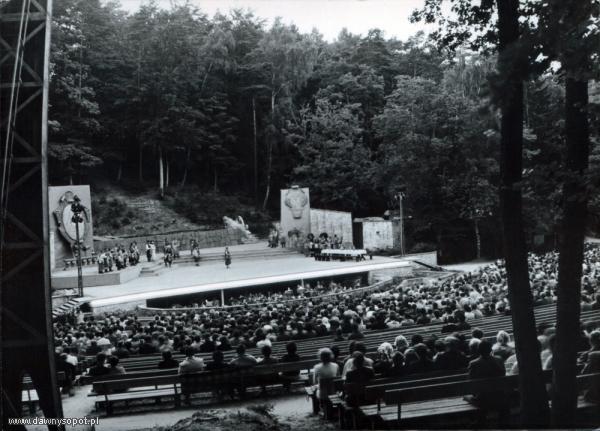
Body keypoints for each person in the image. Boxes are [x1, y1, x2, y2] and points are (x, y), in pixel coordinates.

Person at [312, 348, 339, 412]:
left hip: (322, 394)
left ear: (320, 357)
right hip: (333, 392)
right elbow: (337, 379)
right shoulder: (336, 366)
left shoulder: (316, 367)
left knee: (315, 388)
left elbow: (314, 382)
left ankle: (318, 408)